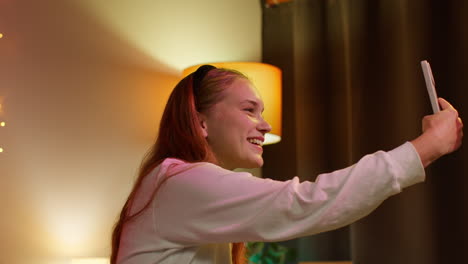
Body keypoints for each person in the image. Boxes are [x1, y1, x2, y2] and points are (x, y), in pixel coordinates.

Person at [111, 65, 463, 264]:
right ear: (201, 122)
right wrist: (424, 148)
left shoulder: (174, 181)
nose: (265, 125)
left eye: (261, 112)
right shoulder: (181, 181)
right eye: (249, 110)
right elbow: (304, 202)